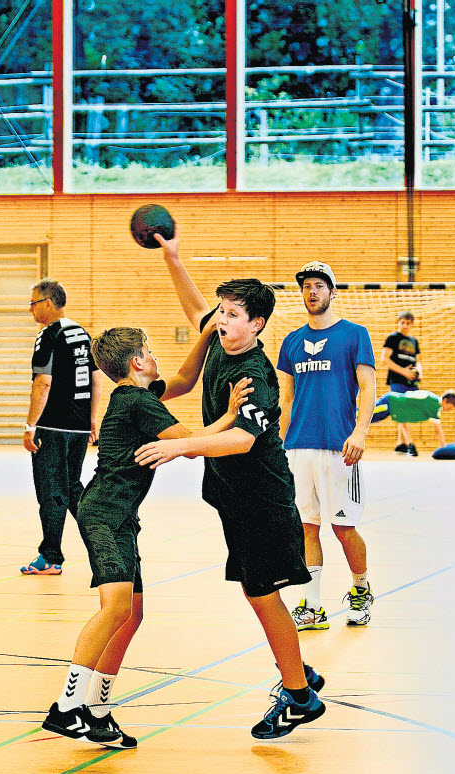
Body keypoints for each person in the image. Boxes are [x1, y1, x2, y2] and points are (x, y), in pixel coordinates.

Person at [134, 227, 327, 742]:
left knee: (264, 595)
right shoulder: (220, 338)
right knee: (254, 589)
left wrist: (181, 444)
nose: (220, 320)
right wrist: (172, 258)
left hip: (261, 500)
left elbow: (242, 439)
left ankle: (299, 697)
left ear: (256, 324)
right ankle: (297, 671)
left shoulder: (256, 376)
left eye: (232, 314)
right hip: (232, 497)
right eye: (222, 311)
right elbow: (193, 305)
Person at [42, 324, 252, 747]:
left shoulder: (134, 397)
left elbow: (182, 381)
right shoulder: (136, 400)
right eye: (151, 349)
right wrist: (230, 416)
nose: (156, 356)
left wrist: (206, 335)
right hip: (104, 514)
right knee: (115, 608)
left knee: (131, 614)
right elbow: (189, 442)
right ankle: (65, 707)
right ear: (138, 362)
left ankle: (98, 712)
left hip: (118, 515)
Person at [276, 261, 376, 631]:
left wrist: (360, 433)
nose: (312, 291)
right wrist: (280, 444)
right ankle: (312, 605)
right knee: (306, 526)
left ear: (332, 292)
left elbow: (367, 386)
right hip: (298, 447)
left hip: (339, 446)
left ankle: (361, 590)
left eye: (319, 285)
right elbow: (286, 398)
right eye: (306, 286)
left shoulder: (354, 334)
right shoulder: (290, 342)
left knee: (343, 527)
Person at [21, 278, 101, 575]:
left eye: (33, 303)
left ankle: (50, 557)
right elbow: (96, 378)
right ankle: (103, 547)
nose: (31, 310)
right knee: (72, 488)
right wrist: (92, 417)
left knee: (51, 492)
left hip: (53, 427)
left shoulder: (49, 335)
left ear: (49, 303)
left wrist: (30, 426)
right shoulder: (82, 334)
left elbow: (43, 382)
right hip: (79, 427)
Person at [381, 311, 422, 456]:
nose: (405, 325)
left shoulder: (414, 341)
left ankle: (400, 443)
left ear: (412, 324)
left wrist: (418, 372)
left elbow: (417, 361)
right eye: (402, 322)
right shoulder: (393, 338)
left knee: (407, 411)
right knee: (401, 410)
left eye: (408, 323)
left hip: (411, 381)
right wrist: (403, 372)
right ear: (398, 322)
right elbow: (385, 359)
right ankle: (410, 443)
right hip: (397, 380)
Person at [371, 389, 455, 448]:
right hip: (390, 401)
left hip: (392, 409)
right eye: (449, 408)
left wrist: (410, 443)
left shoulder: (435, 410)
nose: (448, 411)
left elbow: (404, 419)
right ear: (445, 400)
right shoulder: (428, 397)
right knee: (366, 414)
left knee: (372, 419)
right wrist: (443, 448)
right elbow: (438, 430)